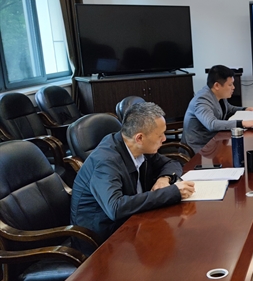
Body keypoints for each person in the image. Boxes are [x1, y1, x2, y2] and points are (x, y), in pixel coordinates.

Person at [71, 102, 195, 246]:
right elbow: (115, 208)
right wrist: (171, 193)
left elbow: (171, 163)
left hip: (132, 224)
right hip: (103, 240)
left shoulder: (137, 147)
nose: (164, 139)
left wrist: (164, 179)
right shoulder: (106, 161)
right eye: (160, 135)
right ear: (139, 138)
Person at [182, 65, 253, 152]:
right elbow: (212, 124)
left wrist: (245, 109)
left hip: (214, 142)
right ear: (217, 85)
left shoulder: (218, 94)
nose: (233, 87)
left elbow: (229, 109)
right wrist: (242, 123)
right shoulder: (201, 100)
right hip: (200, 149)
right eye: (230, 85)